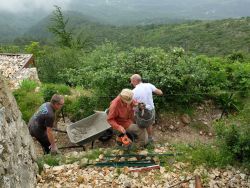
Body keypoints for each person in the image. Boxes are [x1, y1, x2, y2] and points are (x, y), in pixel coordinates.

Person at [130, 74, 163, 142]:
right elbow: (160, 93)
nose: (131, 83)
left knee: (139, 124)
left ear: (134, 81)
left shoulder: (133, 92)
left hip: (141, 111)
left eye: (131, 81)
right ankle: (150, 138)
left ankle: (140, 138)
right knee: (149, 123)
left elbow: (132, 105)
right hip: (151, 109)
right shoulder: (149, 85)